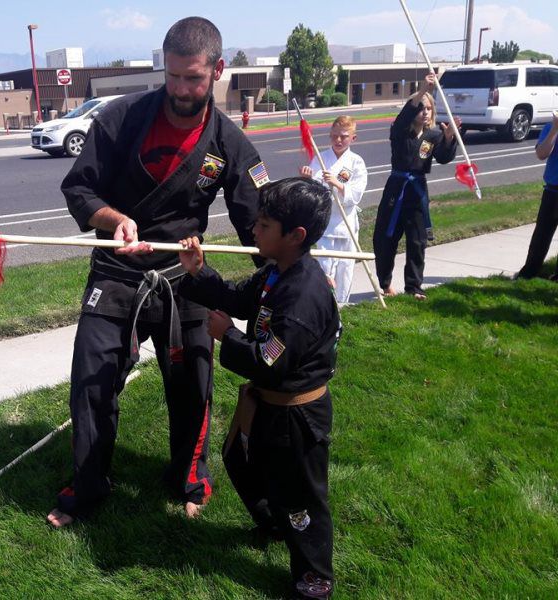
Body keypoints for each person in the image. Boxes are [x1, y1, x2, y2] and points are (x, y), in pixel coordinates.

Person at [49, 16, 268, 528]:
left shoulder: (229, 144)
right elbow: (78, 189)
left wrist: (285, 279)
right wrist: (114, 218)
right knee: (92, 381)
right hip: (115, 271)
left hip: (183, 275)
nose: (180, 89)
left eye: (192, 78)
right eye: (172, 76)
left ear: (218, 70)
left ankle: (189, 476)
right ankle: (89, 483)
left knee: (193, 380)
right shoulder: (121, 118)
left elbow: (257, 226)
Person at [178, 177, 340, 600]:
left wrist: (227, 336)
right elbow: (236, 296)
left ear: (295, 236)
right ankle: (274, 523)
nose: (253, 229)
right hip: (268, 404)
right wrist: (198, 270)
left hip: (295, 413)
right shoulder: (275, 274)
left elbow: (271, 361)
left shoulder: (303, 295)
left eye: (264, 224)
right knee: (240, 459)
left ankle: (314, 578)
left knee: (302, 498)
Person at [372, 73, 460, 300]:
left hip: (417, 190)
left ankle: (414, 287)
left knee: (417, 240)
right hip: (397, 188)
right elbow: (403, 118)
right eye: (420, 107)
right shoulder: (400, 131)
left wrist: (449, 138)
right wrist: (423, 90)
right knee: (386, 238)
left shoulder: (433, 135)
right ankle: (385, 283)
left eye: (428, 108)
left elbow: (442, 157)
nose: (424, 111)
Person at [300, 116, 367, 305]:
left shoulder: (356, 163)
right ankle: (323, 306)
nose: (338, 140)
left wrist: (337, 184)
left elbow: (356, 195)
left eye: (344, 137)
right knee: (324, 268)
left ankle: (342, 305)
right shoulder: (320, 159)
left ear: (353, 138)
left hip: (346, 225)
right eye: (334, 136)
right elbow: (311, 193)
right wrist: (306, 179)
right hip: (326, 225)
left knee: (345, 269)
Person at [516, 111, 558, 280]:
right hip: (552, 190)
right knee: (541, 234)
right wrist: (555, 129)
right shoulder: (550, 127)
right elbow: (541, 154)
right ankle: (530, 272)